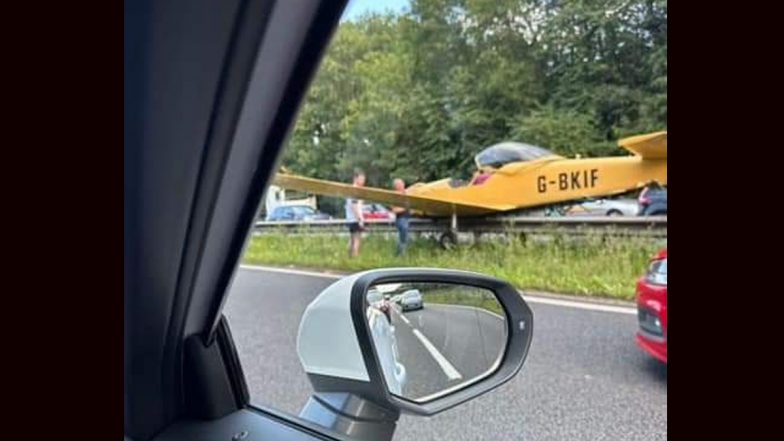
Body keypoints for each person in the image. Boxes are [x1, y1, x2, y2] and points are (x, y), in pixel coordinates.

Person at [345, 169, 366, 257]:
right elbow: (354, 206)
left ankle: (349, 256)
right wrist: (359, 219)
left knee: (352, 239)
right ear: (355, 179)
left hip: (351, 218)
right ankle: (355, 256)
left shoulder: (353, 190)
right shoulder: (354, 191)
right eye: (361, 179)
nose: (363, 181)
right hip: (354, 219)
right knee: (357, 239)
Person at [390, 178, 410, 256]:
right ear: (396, 186)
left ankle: (399, 254)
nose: (401, 185)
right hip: (401, 219)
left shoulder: (406, 193)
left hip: (407, 218)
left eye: (402, 183)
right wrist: (405, 208)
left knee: (404, 238)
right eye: (399, 184)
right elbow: (394, 210)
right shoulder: (395, 196)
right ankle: (401, 255)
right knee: (403, 238)